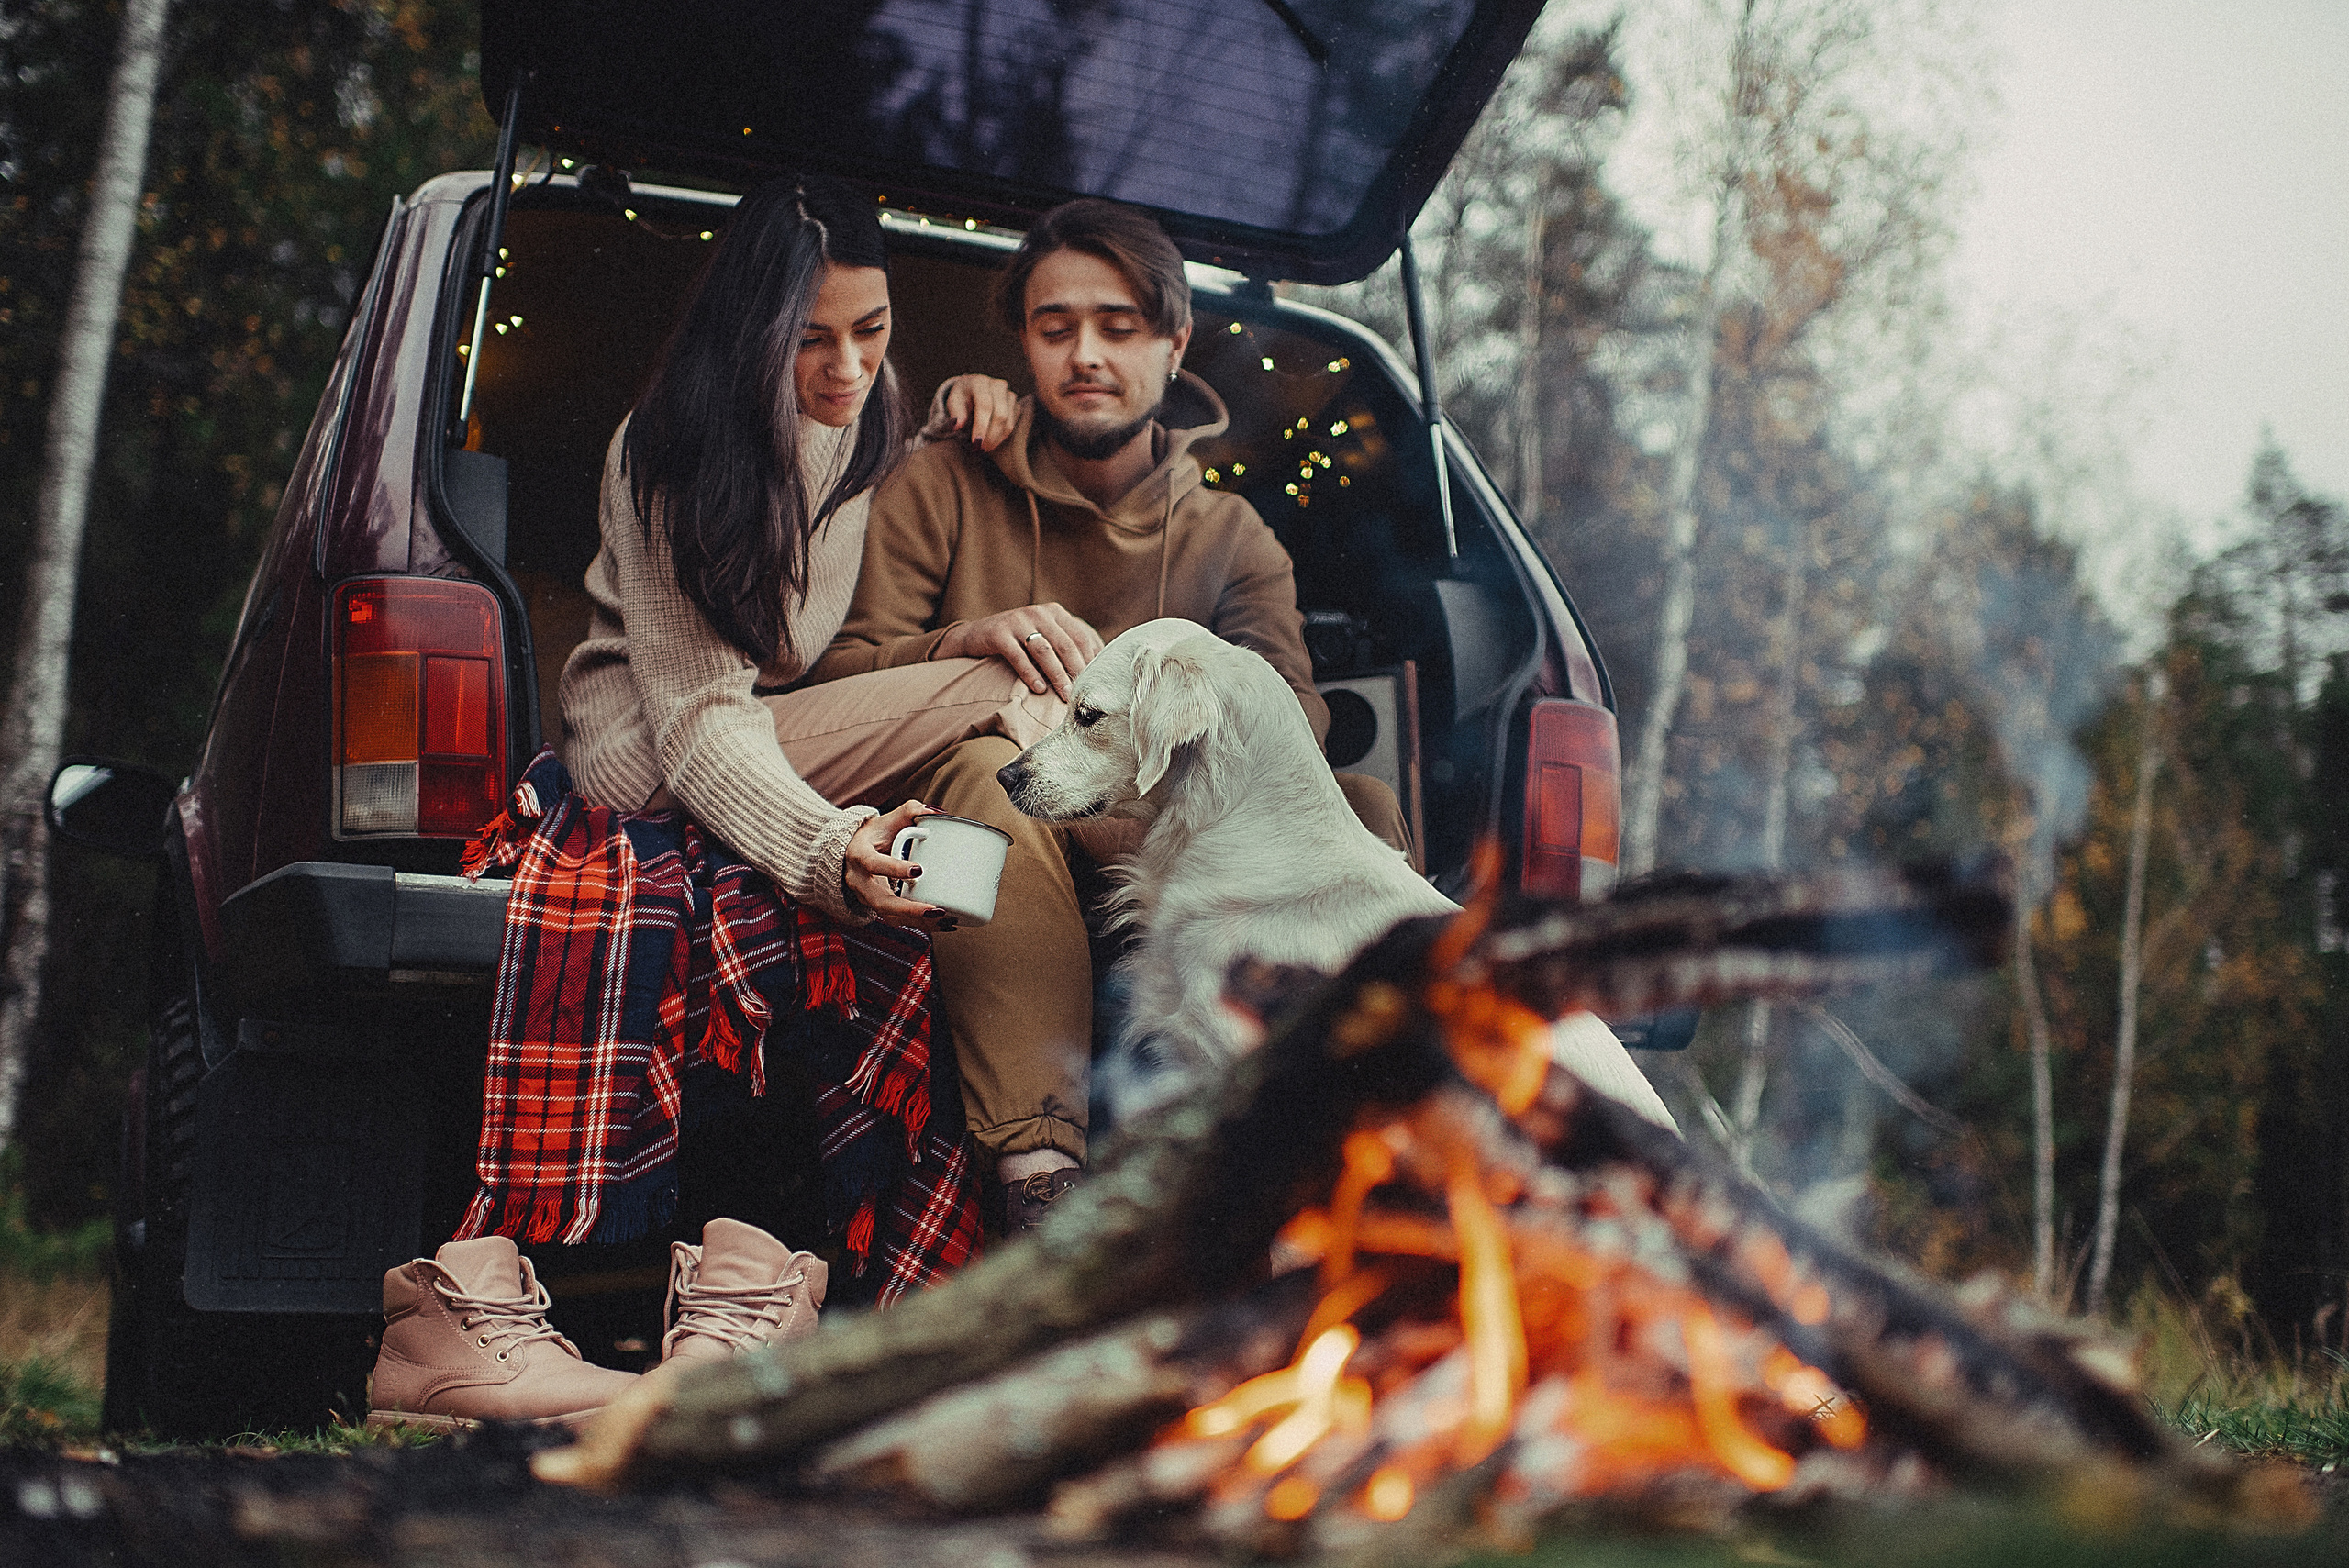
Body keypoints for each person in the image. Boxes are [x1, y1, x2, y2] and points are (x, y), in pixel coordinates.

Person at [370, 174, 1014, 1433]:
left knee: (978, 800)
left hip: (769, 734)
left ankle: (795, 1288)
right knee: (996, 701)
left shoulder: (873, 416)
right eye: (811, 339)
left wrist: (951, 413)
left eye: (871, 331)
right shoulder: (668, 445)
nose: (843, 366)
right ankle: (499, 1299)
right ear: (753, 330)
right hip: (647, 761)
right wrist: (828, 851)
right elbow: (707, 721)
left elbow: (823, 647)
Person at [802, 198, 1408, 1232]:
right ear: (1023, 344)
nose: (1085, 354)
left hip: (1167, 826)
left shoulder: (1230, 531)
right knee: (982, 775)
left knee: (1361, 799)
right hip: (991, 811)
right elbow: (847, 674)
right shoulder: (938, 481)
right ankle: (1041, 1186)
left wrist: (1150, 766)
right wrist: (964, 642)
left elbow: (1291, 727)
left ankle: (1359, 1158)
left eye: (1118, 326)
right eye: (1054, 327)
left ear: (1175, 345)